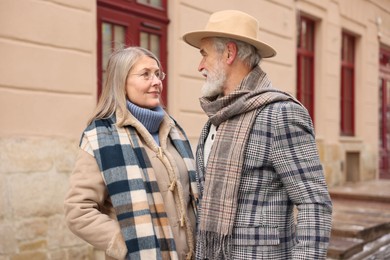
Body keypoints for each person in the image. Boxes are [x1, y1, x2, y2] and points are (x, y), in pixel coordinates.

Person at [182, 10, 333, 259]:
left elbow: (314, 204)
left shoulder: (281, 114)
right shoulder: (217, 117)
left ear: (229, 53)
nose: (200, 66)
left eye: (204, 55)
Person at [64, 46, 198, 260]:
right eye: (145, 74)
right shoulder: (101, 137)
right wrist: (126, 245)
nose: (156, 82)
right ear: (121, 82)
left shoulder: (175, 131)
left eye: (158, 74)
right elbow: (78, 211)